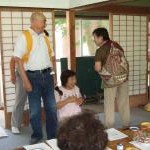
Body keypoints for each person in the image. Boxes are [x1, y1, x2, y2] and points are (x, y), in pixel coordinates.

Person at [13, 12, 57, 144]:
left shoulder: (45, 36)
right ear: (33, 21)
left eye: (44, 21)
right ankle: (37, 135)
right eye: (42, 21)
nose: (44, 23)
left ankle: (52, 136)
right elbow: (18, 59)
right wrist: (25, 80)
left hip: (47, 75)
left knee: (51, 108)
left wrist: (54, 74)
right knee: (35, 110)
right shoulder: (24, 36)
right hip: (32, 77)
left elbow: (52, 57)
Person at [10, 29, 50, 134]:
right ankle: (15, 124)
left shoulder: (44, 48)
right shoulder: (26, 43)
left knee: (35, 100)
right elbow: (13, 60)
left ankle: (36, 125)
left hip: (35, 74)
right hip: (21, 74)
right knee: (20, 99)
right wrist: (12, 74)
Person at [93, 27, 130, 128]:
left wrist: (97, 68)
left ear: (100, 37)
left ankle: (110, 128)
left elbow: (97, 68)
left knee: (109, 104)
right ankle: (126, 126)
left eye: (95, 37)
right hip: (123, 77)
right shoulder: (116, 44)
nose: (94, 40)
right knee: (124, 102)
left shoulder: (100, 50)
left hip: (110, 81)